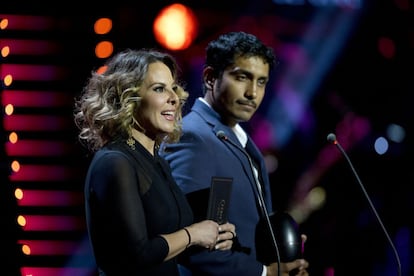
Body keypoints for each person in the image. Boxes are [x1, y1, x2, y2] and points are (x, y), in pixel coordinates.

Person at [73, 49, 236, 276]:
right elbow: (137, 254)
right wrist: (193, 234)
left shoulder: (156, 161)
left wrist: (210, 236)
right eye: (159, 89)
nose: (174, 98)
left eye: (173, 88)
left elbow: (165, 247)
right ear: (127, 98)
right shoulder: (115, 162)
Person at [160, 32, 309, 275]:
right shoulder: (194, 137)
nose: (253, 92)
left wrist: (279, 252)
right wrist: (265, 272)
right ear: (210, 77)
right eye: (242, 77)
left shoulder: (234, 137)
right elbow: (191, 245)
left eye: (261, 82)